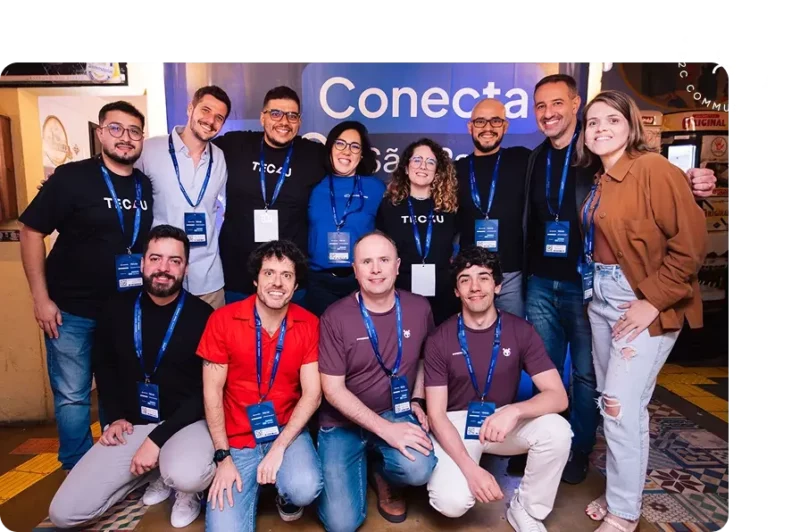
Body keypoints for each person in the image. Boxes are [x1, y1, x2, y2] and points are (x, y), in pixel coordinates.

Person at [519, 73, 718, 484]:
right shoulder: (536, 158)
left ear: (576, 106)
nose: (548, 113)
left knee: (591, 379)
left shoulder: (597, 155)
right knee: (549, 371)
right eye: (540, 106)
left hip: (587, 285)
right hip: (546, 281)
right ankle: (547, 446)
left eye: (558, 103)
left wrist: (694, 182)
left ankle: (578, 448)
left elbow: (652, 184)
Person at [574, 90, 708, 532]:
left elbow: (690, 247)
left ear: (631, 125)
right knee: (619, 408)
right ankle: (620, 495)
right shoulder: (600, 177)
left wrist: (652, 301)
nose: (600, 129)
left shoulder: (653, 169)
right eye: (592, 122)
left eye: (611, 120)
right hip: (600, 297)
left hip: (640, 300)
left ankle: (624, 515)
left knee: (618, 407)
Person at [48, 225, 216, 529]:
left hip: (187, 424)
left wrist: (157, 439)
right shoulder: (115, 310)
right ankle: (151, 472)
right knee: (64, 513)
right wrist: (114, 418)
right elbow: (106, 368)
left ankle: (179, 484)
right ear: (142, 263)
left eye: (174, 261)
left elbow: (206, 393)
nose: (163, 268)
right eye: (155, 258)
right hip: (134, 424)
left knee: (187, 475)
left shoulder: (204, 317)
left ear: (186, 268)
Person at [19, 100, 154, 470]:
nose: (125, 138)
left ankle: (113, 467)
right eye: (116, 128)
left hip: (124, 312)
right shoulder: (72, 178)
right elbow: (31, 232)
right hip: (71, 311)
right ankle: (76, 468)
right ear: (100, 133)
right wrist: (40, 298)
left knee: (118, 392)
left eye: (133, 131)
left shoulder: (144, 185)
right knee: (73, 396)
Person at [424, 245, 571, 532]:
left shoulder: (521, 331)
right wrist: (471, 470)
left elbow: (558, 396)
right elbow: (436, 415)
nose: (475, 287)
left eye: (484, 277)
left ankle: (526, 508)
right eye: (465, 280)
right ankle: (455, 473)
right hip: (455, 422)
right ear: (456, 291)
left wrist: (515, 411)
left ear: (498, 285)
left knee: (558, 431)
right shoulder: (439, 338)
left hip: (501, 419)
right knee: (450, 502)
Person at [197, 239, 323, 531]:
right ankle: (252, 483)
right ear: (255, 279)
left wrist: (279, 447)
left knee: (304, 486)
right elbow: (212, 392)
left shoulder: (309, 324)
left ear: (295, 286)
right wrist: (222, 457)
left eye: (287, 275)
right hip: (236, 439)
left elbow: (313, 395)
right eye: (269, 273)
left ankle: (284, 493)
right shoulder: (223, 320)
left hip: (286, 432)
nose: (277, 282)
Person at [316, 231, 438, 531]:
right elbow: (332, 390)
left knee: (418, 469)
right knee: (341, 524)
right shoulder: (334, 317)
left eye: (383, 260)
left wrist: (418, 399)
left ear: (397, 266)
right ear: (355, 270)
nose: (375, 269)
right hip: (341, 423)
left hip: (394, 411)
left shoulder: (419, 308)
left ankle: (382, 470)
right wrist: (387, 431)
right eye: (366, 262)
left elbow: (424, 359)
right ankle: (369, 460)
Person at [212, 85, 326, 306]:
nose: (284, 121)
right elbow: (193, 150)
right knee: (239, 339)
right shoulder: (234, 145)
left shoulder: (314, 155)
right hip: (238, 275)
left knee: (287, 340)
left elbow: (349, 166)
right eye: (275, 113)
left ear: (299, 121)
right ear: (262, 117)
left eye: (292, 116)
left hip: (289, 279)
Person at [135, 85, 231, 309]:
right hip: (162, 275)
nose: (210, 120)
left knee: (211, 342)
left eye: (219, 117)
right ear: (190, 109)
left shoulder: (221, 158)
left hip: (208, 277)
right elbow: (116, 175)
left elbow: (222, 206)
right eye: (205, 110)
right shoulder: (149, 150)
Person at [454, 98, 531, 318]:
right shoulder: (455, 170)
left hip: (511, 275)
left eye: (495, 121)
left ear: (505, 126)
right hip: (471, 274)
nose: (488, 128)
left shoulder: (523, 159)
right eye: (480, 122)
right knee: (474, 340)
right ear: (470, 127)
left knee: (511, 340)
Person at [376, 137, 460, 326]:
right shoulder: (390, 206)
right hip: (401, 293)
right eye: (417, 160)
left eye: (430, 162)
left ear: (437, 171)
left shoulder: (449, 208)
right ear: (406, 168)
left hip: (443, 295)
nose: (423, 166)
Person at [306, 120, 385, 317]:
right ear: (330, 147)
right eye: (340, 144)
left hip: (360, 282)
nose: (346, 151)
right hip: (319, 283)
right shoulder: (312, 185)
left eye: (355, 146)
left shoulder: (376, 189)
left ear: (362, 154)